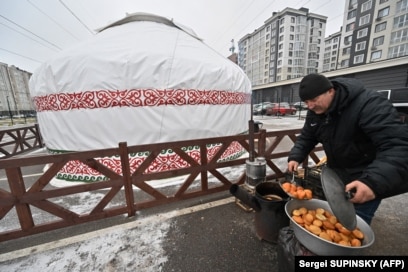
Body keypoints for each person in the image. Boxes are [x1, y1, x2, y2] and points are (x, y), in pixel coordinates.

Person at [287, 73, 408, 225]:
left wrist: (372, 182)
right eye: (306, 102)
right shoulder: (315, 112)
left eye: (314, 100)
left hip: (365, 177)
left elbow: (397, 145)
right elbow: (307, 136)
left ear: (330, 91)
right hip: (337, 176)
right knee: (334, 220)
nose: (310, 106)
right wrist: (295, 156)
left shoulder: (369, 103)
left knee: (355, 224)